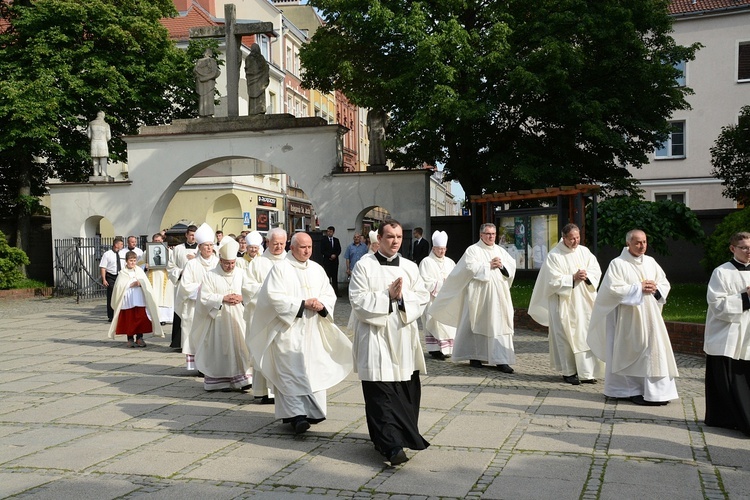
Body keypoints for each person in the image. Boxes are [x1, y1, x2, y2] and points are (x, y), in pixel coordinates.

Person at [250, 232, 353, 434]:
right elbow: (273, 297)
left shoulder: (317, 269)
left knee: (313, 369)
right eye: (302, 247)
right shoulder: (280, 269)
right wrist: (302, 304)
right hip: (288, 329)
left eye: (309, 248)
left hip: (313, 329)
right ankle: (295, 415)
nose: (307, 251)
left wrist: (321, 304)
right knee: (290, 370)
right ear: (292, 247)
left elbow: (328, 293)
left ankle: (313, 412)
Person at [349, 220, 431, 465]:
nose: (395, 241)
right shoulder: (364, 266)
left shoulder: (409, 267)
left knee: (404, 390)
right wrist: (387, 296)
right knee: (380, 393)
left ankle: (399, 436)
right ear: (379, 239)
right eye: (390, 237)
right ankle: (390, 445)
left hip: (403, 336)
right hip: (376, 338)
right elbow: (358, 300)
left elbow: (422, 295)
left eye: (398, 237)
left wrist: (402, 298)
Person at [587, 229, 679, 406]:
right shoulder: (618, 264)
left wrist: (655, 288)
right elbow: (611, 289)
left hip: (651, 316)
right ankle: (630, 390)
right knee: (629, 352)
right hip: (627, 318)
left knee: (654, 351)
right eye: (637, 242)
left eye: (644, 242)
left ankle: (657, 392)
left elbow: (664, 283)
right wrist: (638, 288)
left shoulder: (651, 262)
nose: (642, 246)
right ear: (628, 243)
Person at [429, 223, 517, 374]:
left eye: (493, 234)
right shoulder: (473, 250)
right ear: (481, 235)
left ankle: (501, 360)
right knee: (477, 324)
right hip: (479, 296)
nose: (491, 237)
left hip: (499, 296)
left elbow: (511, 266)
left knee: (499, 325)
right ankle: (475, 356)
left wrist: (502, 266)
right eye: (488, 234)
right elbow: (468, 268)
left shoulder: (500, 250)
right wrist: (488, 265)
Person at [528, 224, 604, 385]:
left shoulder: (584, 251)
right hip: (564, 302)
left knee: (585, 335)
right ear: (564, 238)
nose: (575, 241)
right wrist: (572, 278)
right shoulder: (554, 255)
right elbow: (551, 281)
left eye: (577, 237)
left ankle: (587, 372)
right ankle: (569, 371)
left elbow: (596, 270)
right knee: (566, 336)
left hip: (584, 301)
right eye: (572, 239)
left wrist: (587, 275)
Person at [703, 232, 750, 435]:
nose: (749, 252)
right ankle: (726, 418)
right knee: (727, 381)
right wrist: (745, 298)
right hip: (727, 334)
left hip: (748, 334)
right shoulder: (721, 272)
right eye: (744, 248)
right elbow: (716, 304)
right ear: (733, 249)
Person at [193, 238, 253, 392]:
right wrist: (222, 298)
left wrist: (241, 297)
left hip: (239, 316)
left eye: (232, 263)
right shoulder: (210, 275)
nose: (230, 266)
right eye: (227, 263)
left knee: (242, 346)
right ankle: (222, 381)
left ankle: (243, 379)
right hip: (219, 317)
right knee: (221, 347)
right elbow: (204, 297)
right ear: (220, 260)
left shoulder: (241, 273)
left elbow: (250, 291)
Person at [243, 227, 288, 404]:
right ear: (267, 242)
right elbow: (247, 287)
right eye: (275, 243)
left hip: (283, 316)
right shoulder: (258, 263)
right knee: (263, 350)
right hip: (262, 316)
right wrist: (269, 293)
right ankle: (262, 391)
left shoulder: (290, 262)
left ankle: (281, 391)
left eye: (282, 243)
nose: (278, 247)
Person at [176, 223, 219, 371]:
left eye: (210, 245)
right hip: (195, 307)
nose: (208, 248)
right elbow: (185, 287)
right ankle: (199, 366)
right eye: (205, 245)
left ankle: (212, 365)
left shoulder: (218, 263)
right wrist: (201, 290)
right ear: (199, 247)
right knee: (197, 336)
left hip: (213, 307)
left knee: (213, 337)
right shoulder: (192, 264)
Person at [107, 251, 164, 347]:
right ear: (126, 261)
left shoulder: (139, 271)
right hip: (128, 299)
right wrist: (128, 285)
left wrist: (140, 283)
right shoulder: (122, 273)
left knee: (140, 318)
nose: (132, 263)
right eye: (130, 261)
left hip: (139, 299)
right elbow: (119, 286)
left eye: (134, 260)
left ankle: (139, 338)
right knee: (129, 319)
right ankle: (130, 339)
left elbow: (146, 284)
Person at [419, 230, 457, 360]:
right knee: (434, 323)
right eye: (439, 249)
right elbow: (424, 281)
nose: (441, 251)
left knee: (447, 325)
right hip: (433, 300)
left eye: (444, 249)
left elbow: (456, 277)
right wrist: (442, 284)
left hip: (447, 301)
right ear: (434, 248)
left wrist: (450, 285)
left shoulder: (450, 262)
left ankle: (447, 348)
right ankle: (435, 350)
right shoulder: (426, 262)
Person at [166, 225, 199, 349]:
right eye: (190, 235)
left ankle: (194, 344)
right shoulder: (178, 249)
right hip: (182, 286)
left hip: (196, 286)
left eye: (195, 235)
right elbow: (170, 266)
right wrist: (180, 272)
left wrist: (196, 258)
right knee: (181, 311)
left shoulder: (202, 249)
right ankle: (179, 343)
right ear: (186, 235)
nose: (192, 237)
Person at [146, 233, 174, 325]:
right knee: (154, 297)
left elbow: (174, 264)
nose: (157, 242)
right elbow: (139, 264)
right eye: (155, 241)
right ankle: (152, 317)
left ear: (162, 241)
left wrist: (168, 265)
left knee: (164, 298)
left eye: (159, 240)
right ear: (152, 241)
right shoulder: (147, 252)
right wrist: (145, 266)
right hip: (152, 276)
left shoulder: (169, 251)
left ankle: (163, 318)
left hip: (165, 276)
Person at [100, 237, 124, 322]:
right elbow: (103, 267)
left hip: (120, 275)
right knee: (112, 294)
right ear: (116, 245)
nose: (122, 246)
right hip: (110, 276)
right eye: (121, 244)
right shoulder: (107, 254)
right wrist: (104, 279)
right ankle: (111, 315)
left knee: (121, 294)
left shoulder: (122, 254)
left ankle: (120, 313)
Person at [194, 48, 221, 117]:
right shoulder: (211, 61)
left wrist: (203, 77)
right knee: (208, 98)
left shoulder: (199, 61)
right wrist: (208, 76)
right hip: (208, 83)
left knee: (205, 98)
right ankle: (208, 113)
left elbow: (196, 71)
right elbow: (215, 72)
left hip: (204, 82)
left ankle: (202, 113)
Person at [245, 43, 270, 116]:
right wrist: (266, 69)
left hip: (251, 81)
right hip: (260, 81)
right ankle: (260, 109)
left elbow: (247, 69)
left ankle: (252, 110)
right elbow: (264, 68)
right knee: (260, 95)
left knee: (252, 97)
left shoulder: (248, 58)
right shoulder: (260, 58)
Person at [87, 111, 111, 176]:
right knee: (103, 157)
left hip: (94, 142)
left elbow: (89, 136)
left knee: (95, 158)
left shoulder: (91, 123)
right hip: (103, 142)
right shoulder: (106, 125)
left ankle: (95, 173)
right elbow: (108, 137)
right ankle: (104, 173)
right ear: (103, 116)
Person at [320, 226, 342, 297]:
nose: (329, 233)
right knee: (327, 277)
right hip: (327, 261)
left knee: (335, 277)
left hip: (335, 262)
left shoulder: (336, 240)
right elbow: (322, 250)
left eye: (330, 232)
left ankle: (336, 292)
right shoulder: (323, 240)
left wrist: (335, 255)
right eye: (328, 231)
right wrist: (330, 255)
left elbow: (339, 250)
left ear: (333, 232)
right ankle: (327, 292)